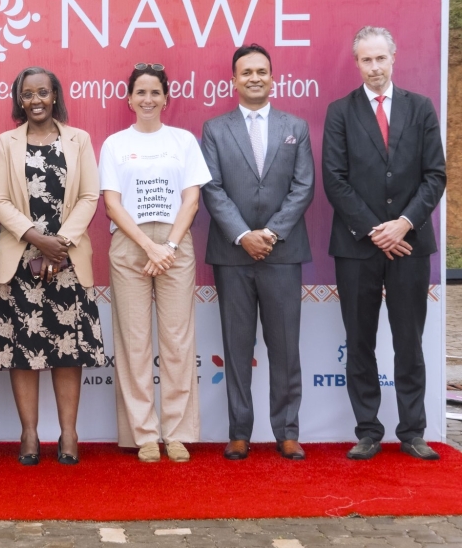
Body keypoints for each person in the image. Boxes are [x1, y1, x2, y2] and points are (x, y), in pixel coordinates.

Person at [322, 26, 446, 461]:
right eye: (365, 60)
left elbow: (436, 175)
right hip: (358, 245)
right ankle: (368, 431)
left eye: (380, 59)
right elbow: (334, 180)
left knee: (409, 340)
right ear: (356, 63)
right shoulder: (340, 112)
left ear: (394, 58)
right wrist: (378, 229)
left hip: (410, 244)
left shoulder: (421, 108)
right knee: (360, 340)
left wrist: (404, 224)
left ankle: (412, 431)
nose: (373, 68)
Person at [0, 66, 104, 466]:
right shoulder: (6, 142)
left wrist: (61, 244)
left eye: (43, 93)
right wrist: (37, 239)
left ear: (55, 96)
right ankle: (30, 433)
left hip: (68, 260)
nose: (36, 100)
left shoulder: (79, 140)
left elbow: (89, 196)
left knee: (67, 350)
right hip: (19, 260)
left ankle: (69, 433)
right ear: (19, 100)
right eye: (28, 94)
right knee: (23, 350)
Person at [200, 45, 315, 461]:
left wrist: (269, 233)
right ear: (233, 79)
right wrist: (243, 235)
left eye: (261, 71)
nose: (254, 77)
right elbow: (211, 188)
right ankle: (239, 432)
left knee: (285, 346)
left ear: (272, 77)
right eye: (246, 71)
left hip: (282, 254)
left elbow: (304, 187)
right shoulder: (214, 129)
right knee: (236, 346)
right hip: (232, 255)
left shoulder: (295, 127)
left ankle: (287, 431)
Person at [100, 63, 211, 463]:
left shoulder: (183, 141)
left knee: (178, 342)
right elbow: (111, 204)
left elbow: (192, 199)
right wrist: (149, 246)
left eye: (155, 92)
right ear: (128, 99)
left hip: (175, 246)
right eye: (140, 92)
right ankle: (143, 433)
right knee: (133, 342)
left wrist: (170, 245)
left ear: (166, 98)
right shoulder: (114, 144)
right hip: (132, 246)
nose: (147, 99)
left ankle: (178, 431)